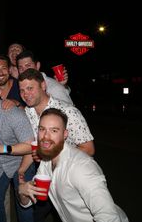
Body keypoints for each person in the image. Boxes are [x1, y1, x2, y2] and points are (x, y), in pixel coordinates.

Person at [18, 108, 129, 222]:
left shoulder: (81, 167)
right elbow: (29, 201)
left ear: (65, 134)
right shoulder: (46, 160)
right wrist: (22, 192)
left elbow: (109, 217)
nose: (46, 136)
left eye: (54, 130)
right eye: (42, 129)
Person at [18, 68, 95, 221]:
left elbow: (89, 149)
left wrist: (51, 157)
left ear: (43, 86)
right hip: (46, 176)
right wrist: (21, 172)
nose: (26, 94)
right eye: (21, 90)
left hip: (72, 177)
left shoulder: (68, 112)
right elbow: (32, 145)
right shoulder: (28, 113)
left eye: (30, 88)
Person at [0, 76, 35, 222]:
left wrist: (2, 148)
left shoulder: (13, 114)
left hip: (22, 164)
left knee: (24, 205)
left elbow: (31, 145)